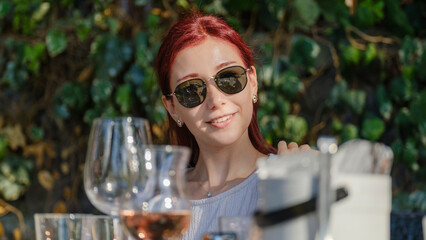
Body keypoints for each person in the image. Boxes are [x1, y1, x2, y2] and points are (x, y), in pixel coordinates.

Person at [154, 11, 310, 240]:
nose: (216, 101)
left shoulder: (291, 179)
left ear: (253, 83)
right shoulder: (155, 200)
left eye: (228, 77)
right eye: (191, 90)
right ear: (172, 107)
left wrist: (287, 193)